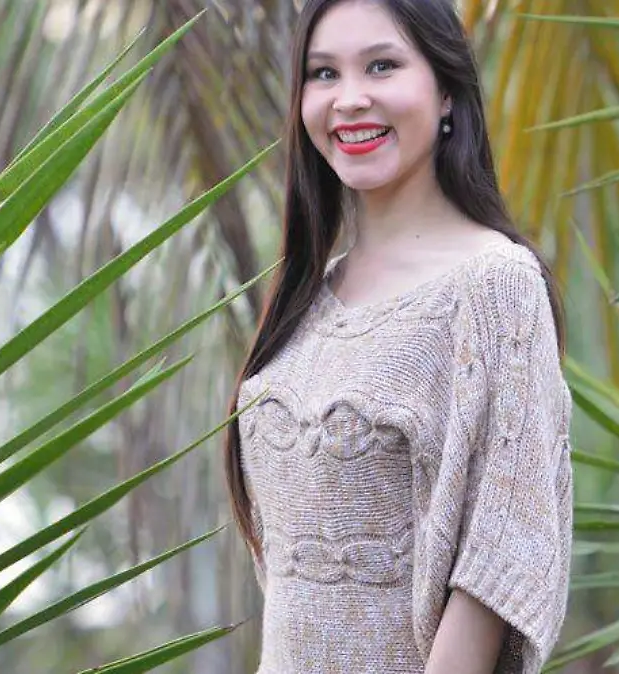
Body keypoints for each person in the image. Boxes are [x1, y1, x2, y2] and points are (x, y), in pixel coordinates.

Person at [223, 1, 573, 672]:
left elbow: (500, 564)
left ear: (446, 92)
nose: (349, 99)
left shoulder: (494, 284)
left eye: (382, 66)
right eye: (323, 73)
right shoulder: (307, 296)